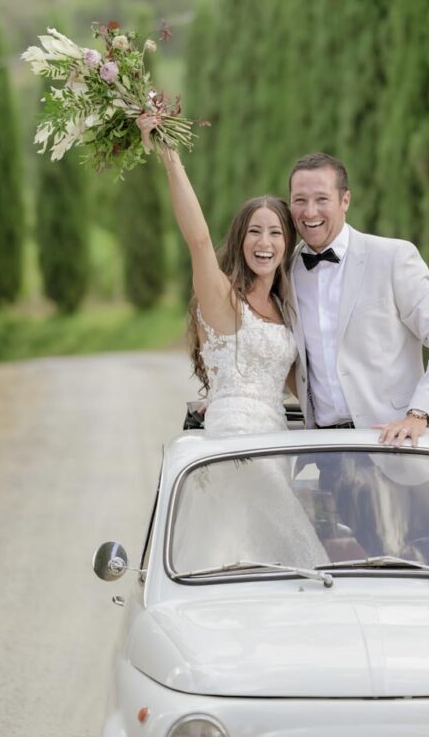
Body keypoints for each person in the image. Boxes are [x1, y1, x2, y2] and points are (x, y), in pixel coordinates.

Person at [137, 116, 327, 569]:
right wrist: (169, 154)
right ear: (240, 240)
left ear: (288, 244)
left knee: (269, 562)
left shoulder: (287, 311)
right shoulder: (223, 298)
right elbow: (198, 238)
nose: (264, 242)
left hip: (276, 445)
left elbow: (307, 389)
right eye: (254, 232)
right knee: (287, 558)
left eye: (276, 232)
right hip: (233, 445)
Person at [288, 152, 429, 448]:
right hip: (324, 450)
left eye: (322, 199)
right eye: (300, 200)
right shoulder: (285, 271)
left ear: (345, 200)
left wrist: (419, 414)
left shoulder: (393, 258)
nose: (310, 212)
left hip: (395, 446)